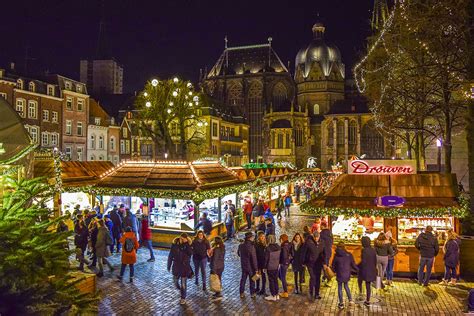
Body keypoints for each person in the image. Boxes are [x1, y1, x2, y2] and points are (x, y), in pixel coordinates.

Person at [168, 233, 193, 305]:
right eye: (181, 238)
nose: (182, 240)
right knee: (175, 281)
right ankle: (181, 289)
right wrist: (169, 265)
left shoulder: (188, 245)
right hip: (176, 266)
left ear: (186, 239)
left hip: (185, 267)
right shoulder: (175, 245)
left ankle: (183, 297)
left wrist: (186, 244)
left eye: (184, 239)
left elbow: (190, 253)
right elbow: (170, 256)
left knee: (183, 284)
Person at [332, 242, 358, 309]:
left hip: (339, 274)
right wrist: (358, 270)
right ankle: (350, 300)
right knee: (346, 286)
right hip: (347, 273)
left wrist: (334, 271)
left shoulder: (336, 255)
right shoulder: (349, 255)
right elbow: (353, 264)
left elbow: (333, 265)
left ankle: (341, 303)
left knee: (340, 287)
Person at [302, 231, 326, 301]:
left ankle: (317, 293)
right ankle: (311, 291)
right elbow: (304, 252)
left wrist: (325, 262)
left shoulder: (322, 242)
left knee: (318, 278)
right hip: (310, 264)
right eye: (315, 237)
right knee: (313, 277)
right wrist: (303, 262)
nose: (316, 239)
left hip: (318, 263)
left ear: (319, 237)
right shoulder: (308, 243)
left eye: (317, 237)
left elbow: (324, 253)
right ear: (313, 237)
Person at [238, 232, 258, 298]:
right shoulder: (252, 247)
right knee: (252, 280)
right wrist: (256, 269)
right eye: (252, 237)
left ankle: (241, 293)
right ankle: (252, 293)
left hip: (244, 266)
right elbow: (254, 259)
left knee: (243, 279)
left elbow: (239, 254)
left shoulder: (241, 246)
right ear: (250, 238)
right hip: (251, 267)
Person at [358, 236, 377, 306]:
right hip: (371, 269)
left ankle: (360, 292)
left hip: (365, 269)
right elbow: (375, 260)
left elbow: (363, 261)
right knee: (368, 284)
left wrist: (357, 266)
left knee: (359, 279)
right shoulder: (373, 250)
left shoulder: (364, 250)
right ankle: (368, 300)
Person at [264, 234, 281, 301]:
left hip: (270, 267)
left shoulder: (268, 248)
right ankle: (276, 294)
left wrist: (264, 267)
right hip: (276, 266)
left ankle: (273, 295)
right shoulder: (278, 247)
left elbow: (266, 259)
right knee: (276, 280)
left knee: (271, 281)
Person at [319, 221, 333, 286]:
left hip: (323, 252)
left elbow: (320, 244)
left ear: (322, 226)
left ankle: (327, 277)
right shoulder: (330, 232)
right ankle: (325, 277)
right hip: (329, 251)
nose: (320, 227)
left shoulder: (321, 234)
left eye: (320, 226)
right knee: (326, 264)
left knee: (324, 265)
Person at [255, 231, 268, 296]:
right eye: (261, 236)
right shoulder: (256, 244)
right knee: (257, 275)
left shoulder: (266, 244)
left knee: (263, 276)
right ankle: (257, 287)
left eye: (263, 236)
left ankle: (263, 289)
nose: (263, 238)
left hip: (264, 263)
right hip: (258, 262)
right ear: (258, 237)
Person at [279, 234, 292, 298]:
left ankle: (285, 292)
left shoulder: (283, 246)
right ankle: (286, 286)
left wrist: (281, 262)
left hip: (284, 263)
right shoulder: (289, 244)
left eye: (280, 239)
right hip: (287, 263)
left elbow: (284, 256)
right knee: (279, 274)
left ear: (282, 239)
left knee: (283, 277)